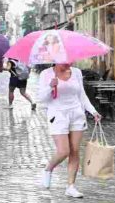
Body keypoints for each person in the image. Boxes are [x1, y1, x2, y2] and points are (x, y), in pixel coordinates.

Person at [38, 63, 101, 198]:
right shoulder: (46, 74)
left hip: (77, 114)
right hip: (57, 115)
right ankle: (49, 168)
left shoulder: (76, 72)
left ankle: (70, 186)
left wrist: (93, 111)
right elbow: (42, 99)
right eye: (65, 60)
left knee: (74, 151)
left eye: (70, 60)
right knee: (63, 151)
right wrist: (50, 86)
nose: (69, 63)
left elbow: (82, 95)